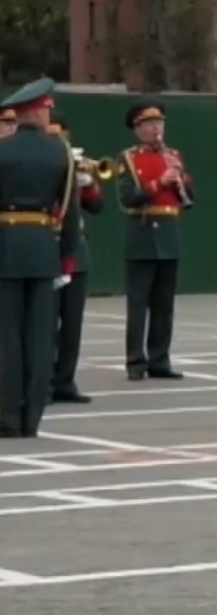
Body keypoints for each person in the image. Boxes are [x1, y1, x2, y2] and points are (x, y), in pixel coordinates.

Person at [0, 77, 82, 437]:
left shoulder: (2, 150)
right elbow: (68, 208)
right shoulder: (60, 151)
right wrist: (67, 256)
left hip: (6, 245)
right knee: (39, 336)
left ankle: (6, 415)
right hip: (44, 247)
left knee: (7, 337)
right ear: (37, 110)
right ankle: (31, 417)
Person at [115, 98, 193, 380]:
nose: (155, 129)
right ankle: (136, 361)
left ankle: (160, 360)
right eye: (148, 124)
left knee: (164, 304)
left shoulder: (173, 155)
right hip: (143, 233)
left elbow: (189, 200)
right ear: (137, 128)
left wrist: (181, 180)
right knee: (138, 304)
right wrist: (158, 183)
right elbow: (127, 198)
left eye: (158, 123)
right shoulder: (128, 158)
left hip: (169, 233)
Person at [47, 111, 104, 405]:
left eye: (62, 136)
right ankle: (43, 381)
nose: (58, 140)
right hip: (47, 248)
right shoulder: (39, 167)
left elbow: (97, 206)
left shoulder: (76, 166)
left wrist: (87, 183)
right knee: (44, 323)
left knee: (72, 324)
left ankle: (65, 381)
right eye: (52, 134)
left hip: (77, 251)